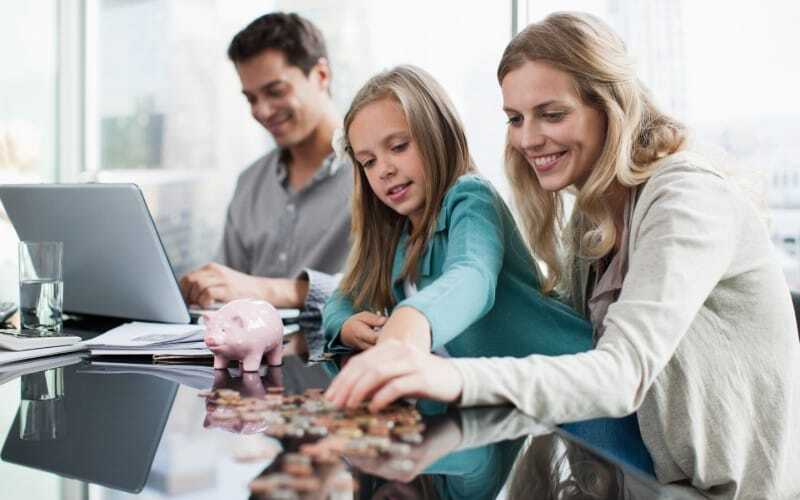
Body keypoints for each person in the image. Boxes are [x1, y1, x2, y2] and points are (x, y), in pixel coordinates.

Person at [324, 12, 800, 499]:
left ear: (611, 106)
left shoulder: (686, 198)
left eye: (552, 114)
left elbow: (620, 372)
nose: (528, 138)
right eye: (515, 119)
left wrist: (448, 374)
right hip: (641, 478)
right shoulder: (591, 219)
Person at [323, 65, 592, 360]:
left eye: (399, 147)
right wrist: (346, 325)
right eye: (369, 162)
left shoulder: (472, 198)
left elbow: (472, 275)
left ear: (439, 136)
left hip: (569, 383)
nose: (385, 169)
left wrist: (412, 318)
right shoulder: (394, 236)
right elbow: (342, 297)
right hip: (492, 400)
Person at [179, 13, 351, 355]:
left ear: (321, 75)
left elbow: (391, 292)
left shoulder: (377, 174)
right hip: (252, 383)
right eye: (250, 98)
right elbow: (228, 296)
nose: (262, 110)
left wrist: (264, 290)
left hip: (340, 376)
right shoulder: (250, 183)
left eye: (275, 91)